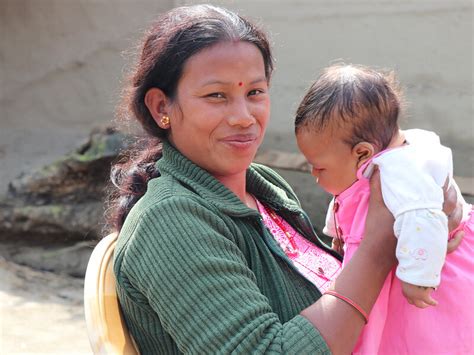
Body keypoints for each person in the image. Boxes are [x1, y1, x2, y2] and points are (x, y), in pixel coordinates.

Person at [107, 5, 462, 354]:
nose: (244, 117)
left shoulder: (263, 187)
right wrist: (377, 249)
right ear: (161, 107)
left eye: (255, 93)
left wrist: (421, 231)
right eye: (216, 95)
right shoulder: (171, 222)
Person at [295, 64, 473, 354]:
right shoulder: (370, 167)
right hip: (403, 263)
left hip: (424, 270)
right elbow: (346, 198)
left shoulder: (401, 171)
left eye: (319, 166)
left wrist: (419, 279)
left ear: (362, 152)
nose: (314, 174)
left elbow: (424, 219)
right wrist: (335, 231)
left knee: (419, 337)